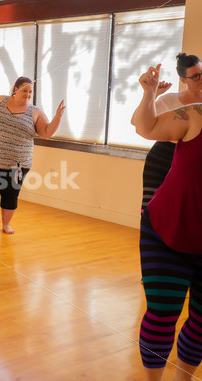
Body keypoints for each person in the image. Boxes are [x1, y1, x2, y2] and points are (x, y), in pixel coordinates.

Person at [133, 63, 202, 381]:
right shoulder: (195, 115)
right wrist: (148, 94)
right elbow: (144, 128)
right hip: (165, 231)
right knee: (162, 315)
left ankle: (184, 378)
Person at [0, 77, 65, 234]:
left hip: (18, 164)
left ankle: (6, 224)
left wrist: (57, 118)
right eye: (24, 90)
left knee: (10, 194)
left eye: (30, 92)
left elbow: (46, 132)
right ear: (15, 89)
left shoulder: (36, 112)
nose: (28, 94)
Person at [139, 53, 202, 212]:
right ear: (183, 80)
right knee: (152, 209)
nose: (201, 78)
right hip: (162, 157)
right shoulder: (170, 99)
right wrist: (152, 93)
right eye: (195, 76)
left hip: (189, 162)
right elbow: (137, 123)